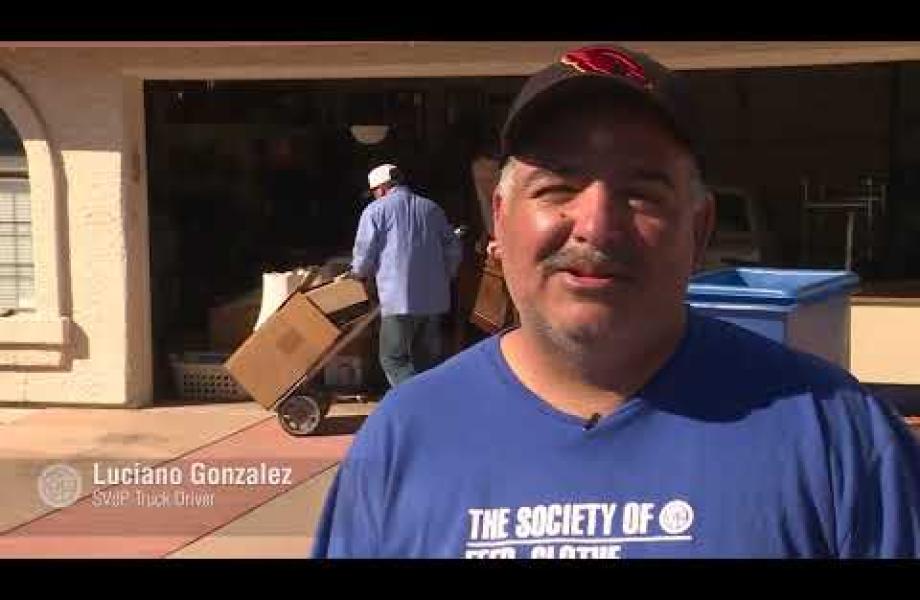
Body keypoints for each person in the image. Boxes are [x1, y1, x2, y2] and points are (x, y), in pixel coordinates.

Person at [313, 45, 920, 558]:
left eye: (642, 193)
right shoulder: (401, 442)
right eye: (558, 187)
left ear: (699, 230)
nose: (597, 227)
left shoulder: (839, 437)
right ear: (499, 220)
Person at [344, 163, 462, 387]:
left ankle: (415, 402)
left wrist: (356, 275)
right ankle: (432, 400)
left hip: (399, 300)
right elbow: (453, 247)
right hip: (433, 300)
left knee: (393, 359)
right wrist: (445, 275)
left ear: (382, 189)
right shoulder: (432, 208)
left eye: (374, 192)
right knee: (426, 360)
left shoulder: (375, 211)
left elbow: (364, 254)